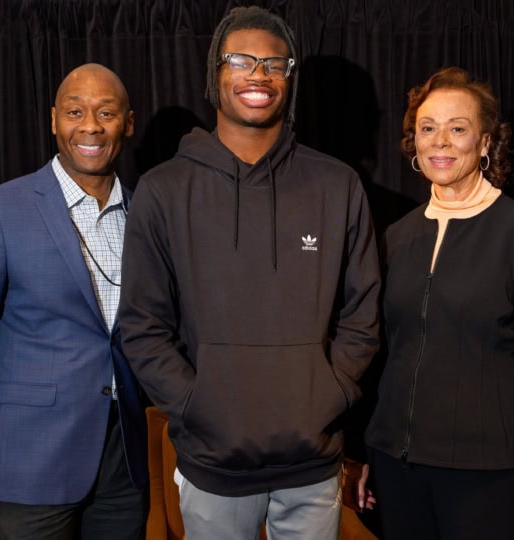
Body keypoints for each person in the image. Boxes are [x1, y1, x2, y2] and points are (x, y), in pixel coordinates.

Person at [117, 6, 381, 539]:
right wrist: (198, 405)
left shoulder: (338, 185)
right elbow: (141, 325)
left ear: (290, 77)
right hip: (213, 465)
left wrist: (329, 394)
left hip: (313, 462)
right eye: (240, 60)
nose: (257, 75)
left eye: (273, 63)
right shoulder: (165, 191)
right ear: (215, 74)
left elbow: (363, 313)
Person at [352, 66, 514, 540]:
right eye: (427, 129)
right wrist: (368, 450)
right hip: (397, 469)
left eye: (458, 128)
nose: (440, 142)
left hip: (486, 478)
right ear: (414, 143)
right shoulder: (396, 237)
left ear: (487, 143)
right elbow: (383, 356)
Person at [0, 63, 148, 540]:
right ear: (54, 120)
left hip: (124, 465)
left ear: (128, 123)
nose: (89, 126)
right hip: (29, 466)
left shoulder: (146, 213)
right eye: (75, 111)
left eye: (106, 113)